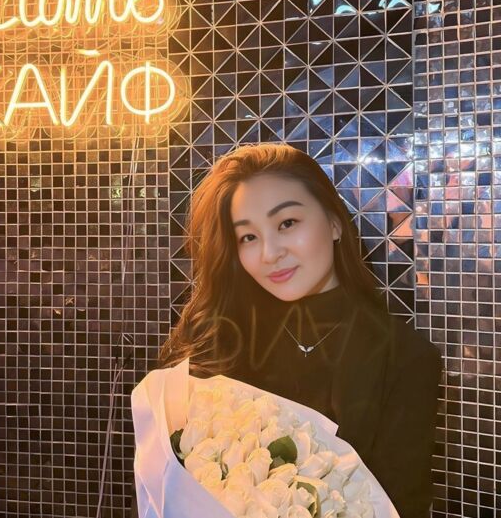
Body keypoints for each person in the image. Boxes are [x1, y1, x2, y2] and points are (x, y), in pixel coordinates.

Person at [130, 143, 443, 518]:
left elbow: (401, 505)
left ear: (334, 222)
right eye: (248, 237)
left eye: (287, 223)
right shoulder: (216, 340)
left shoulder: (404, 357)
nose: (269, 253)